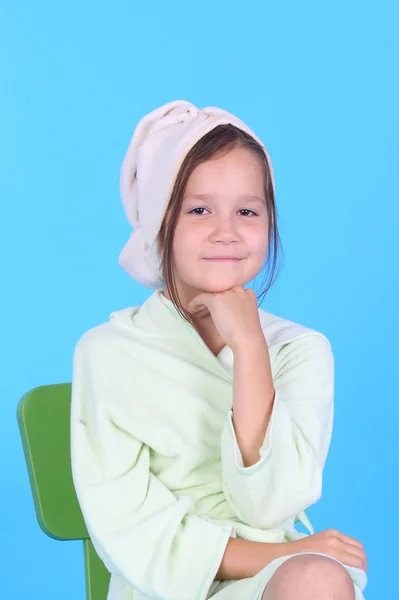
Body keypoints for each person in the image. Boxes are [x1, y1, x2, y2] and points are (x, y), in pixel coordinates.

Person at [70, 100, 368, 600]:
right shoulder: (108, 354)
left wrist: (250, 349)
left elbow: (268, 509)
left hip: (280, 585)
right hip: (165, 588)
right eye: (199, 209)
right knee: (311, 570)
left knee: (316, 579)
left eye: (247, 211)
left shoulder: (300, 351)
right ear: (158, 221)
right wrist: (285, 553)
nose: (226, 230)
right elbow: (136, 536)